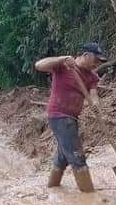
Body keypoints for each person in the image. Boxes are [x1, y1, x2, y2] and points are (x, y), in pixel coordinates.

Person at [34, 43, 107, 193]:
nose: (97, 64)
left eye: (99, 62)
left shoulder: (92, 76)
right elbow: (39, 65)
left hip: (72, 118)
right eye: (96, 60)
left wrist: (96, 104)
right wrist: (61, 59)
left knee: (62, 158)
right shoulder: (64, 66)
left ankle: (52, 189)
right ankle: (89, 197)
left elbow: (93, 94)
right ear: (86, 55)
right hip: (59, 117)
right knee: (77, 157)